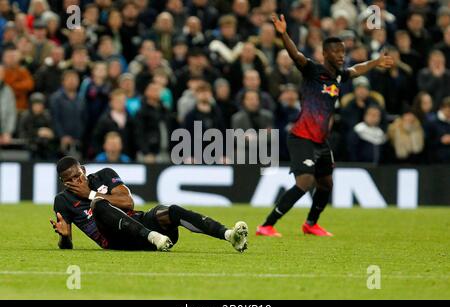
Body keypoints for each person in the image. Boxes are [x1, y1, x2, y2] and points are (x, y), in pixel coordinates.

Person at [256, 14, 393, 237]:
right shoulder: (312, 71)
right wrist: (283, 34)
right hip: (302, 137)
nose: (341, 56)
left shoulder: (339, 76)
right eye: (336, 52)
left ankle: (310, 224)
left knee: (326, 184)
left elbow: (357, 69)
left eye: (343, 52)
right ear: (325, 53)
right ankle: (267, 225)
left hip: (320, 141)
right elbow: (296, 55)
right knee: (305, 182)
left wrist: (376, 62)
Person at [50, 156, 248, 252]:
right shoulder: (62, 201)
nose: (76, 181)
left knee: (171, 211)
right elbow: (67, 247)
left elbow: (128, 202)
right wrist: (64, 237)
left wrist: (91, 193)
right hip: (116, 241)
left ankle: (229, 235)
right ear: (63, 182)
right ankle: (153, 238)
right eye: (70, 180)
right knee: (99, 206)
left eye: (78, 175)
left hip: (141, 224)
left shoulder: (104, 175)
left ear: (83, 169)